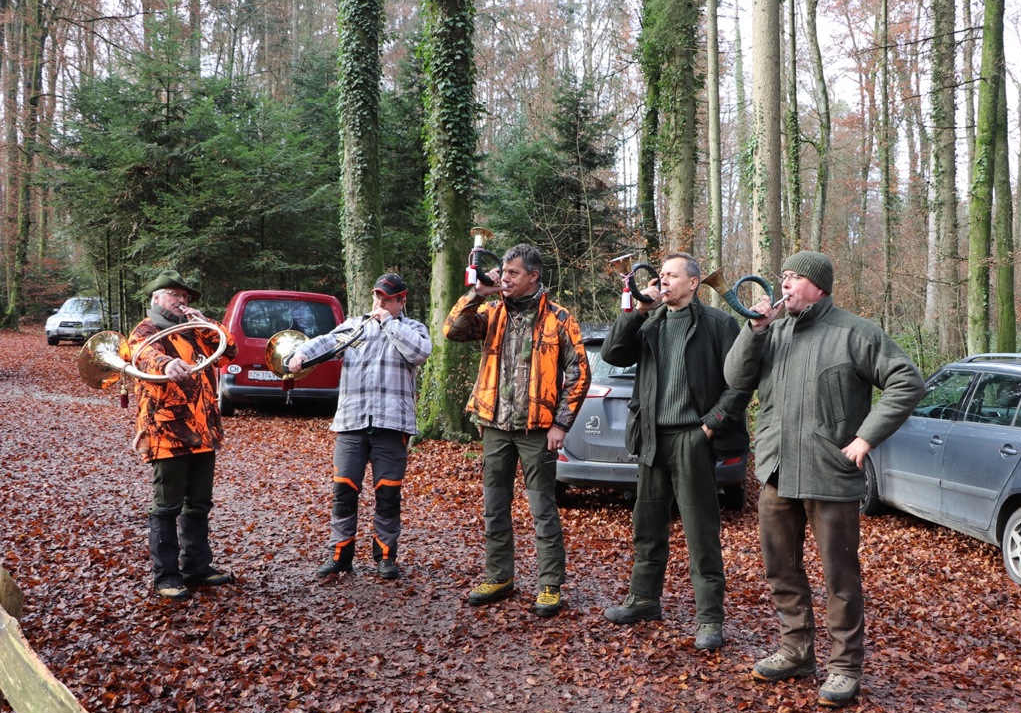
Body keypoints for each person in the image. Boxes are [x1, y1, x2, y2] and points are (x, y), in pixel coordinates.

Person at [724, 250, 924, 707]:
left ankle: (844, 667)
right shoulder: (771, 330)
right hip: (776, 471)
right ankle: (796, 652)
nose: (785, 285)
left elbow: (907, 382)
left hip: (829, 475)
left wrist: (866, 437)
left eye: (793, 278)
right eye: (783, 278)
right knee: (781, 568)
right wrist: (752, 331)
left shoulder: (854, 333)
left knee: (840, 577)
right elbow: (735, 378)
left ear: (817, 285)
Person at [600, 252, 750, 650]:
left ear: (694, 283)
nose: (663, 281)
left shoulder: (719, 324)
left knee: (701, 532)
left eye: (671, 276)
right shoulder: (650, 322)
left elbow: (741, 380)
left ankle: (709, 619)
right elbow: (613, 353)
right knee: (646, 526)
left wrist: (711, 424)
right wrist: (637, 311)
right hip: (652, 437)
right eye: (660, 275)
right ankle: (644, 600)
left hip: (693, 438)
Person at [443, 243, 590, 617]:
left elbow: (579, 375)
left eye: (512, 274)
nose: (504, 278)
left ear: (533, 276)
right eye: (503, 273)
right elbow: (453, 330)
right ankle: (499, 576)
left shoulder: (559, 318)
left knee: (543, 509)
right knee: (494, 507)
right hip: (494, 426)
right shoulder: (492, 312)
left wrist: (561, 423)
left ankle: (550, 585)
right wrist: (477, 293)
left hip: (538, 431)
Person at [287, 273, 432, 581]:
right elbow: (325, 342)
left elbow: (419, 353)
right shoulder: (355, 326)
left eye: (387, 299)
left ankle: (385, 557)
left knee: (388, 495)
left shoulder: (411, 328)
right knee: (343, 491)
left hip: (392, 424)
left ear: (401, 301)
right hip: (351, 423)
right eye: (377, 297)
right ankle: (340, 555)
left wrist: (388, 323)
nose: (379, 302)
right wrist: (300, 354)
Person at [129, 269, 239, 602]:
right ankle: (166, 576)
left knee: (199, 504)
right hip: (168, 433)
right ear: (156, 298)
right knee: (166, 506)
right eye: (174, 294)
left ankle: (197, 568)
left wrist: (208, 322)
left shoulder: (196, 330)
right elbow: (141, 355)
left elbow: (229, 349)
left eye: (185, 296)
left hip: (204, 432)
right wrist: (165, 365)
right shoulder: (145, 331)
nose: (182, 300)